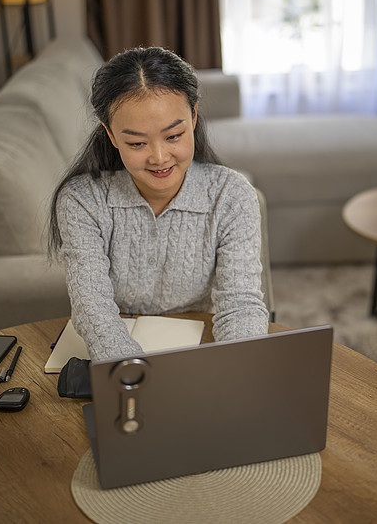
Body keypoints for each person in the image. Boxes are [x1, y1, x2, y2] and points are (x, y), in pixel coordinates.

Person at [48, 47, 269, 361]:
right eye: (137, 143)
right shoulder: (83, 200)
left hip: (202, 348)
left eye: (174, 136)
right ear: (110, 134)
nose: (159, 157)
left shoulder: (231, 195)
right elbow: (91, 307)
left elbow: (240, 306)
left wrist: (236, 368)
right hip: (117, 354)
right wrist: (129, 370)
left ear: (193, 116)